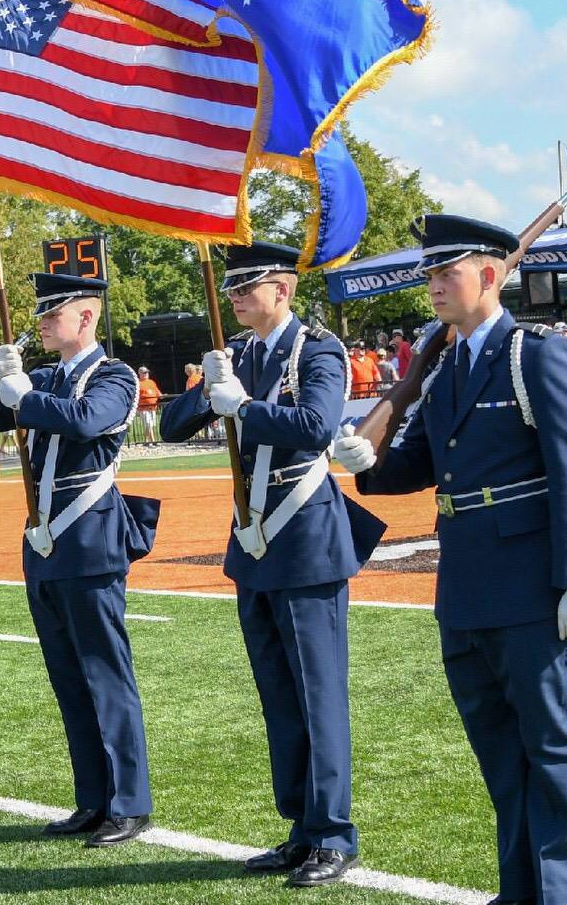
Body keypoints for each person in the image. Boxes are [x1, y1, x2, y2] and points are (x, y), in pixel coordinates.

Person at [340, 214, 567, 905]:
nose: (434, 287)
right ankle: (519, 890)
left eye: (446, 274)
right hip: (466, 581)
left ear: (489, 274)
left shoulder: (532, 353)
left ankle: (559, 894)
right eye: (429, 276)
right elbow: (420, 460)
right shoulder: (447, 361)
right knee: (501, 755)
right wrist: (367, 460)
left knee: (550, 746)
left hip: (532, 580)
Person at [159, 241, 384, 886]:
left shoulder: (317, 350)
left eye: (246, 285)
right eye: (229, 286)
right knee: (278, 696)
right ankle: (300, 828)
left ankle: (334, 833)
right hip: (253, 543)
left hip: (306, 539)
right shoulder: (241, 357)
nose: (233, 296)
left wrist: (245, 409)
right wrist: (208, 389)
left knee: (317, 694)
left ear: (281, 289)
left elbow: (316, 424)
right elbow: (172, 427)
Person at [0, 270, 158, 847]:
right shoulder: (40, 376)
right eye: (40, 313)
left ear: (86, 317)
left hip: (91, 540)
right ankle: (92, 800)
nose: (42, 321)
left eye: (53, 313)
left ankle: (129, 802)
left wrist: (26, 397)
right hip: (45, 546)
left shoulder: (113, 375)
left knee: (105, 674)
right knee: (69, 679)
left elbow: (88, 421)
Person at [134, 366, 162, 445]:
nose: (146, 374)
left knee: (151, 424)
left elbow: (157, 392)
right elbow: (135, 396)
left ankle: (146, 441)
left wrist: (161, 395)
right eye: (144, 372)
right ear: (139, 373)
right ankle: (153, 440)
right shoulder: (138, 383)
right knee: (148, 423)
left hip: (152, 407)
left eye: (147, 372)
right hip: (143, 407)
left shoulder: (151, 382)